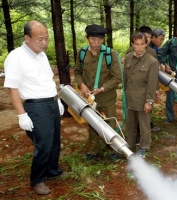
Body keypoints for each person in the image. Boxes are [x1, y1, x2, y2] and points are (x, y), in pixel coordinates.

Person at [4, 20, 65, 195]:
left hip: (51, 103)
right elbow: (12, 88)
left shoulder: (41, 54)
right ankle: (37, 179)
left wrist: (57, 100)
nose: (45, 42)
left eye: (46, 38)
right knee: (44, 144)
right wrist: (22, 115)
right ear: (27, 38)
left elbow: (47, 79)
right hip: (36, 107)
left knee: (54, 141)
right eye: (40, 39)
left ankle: (52, 171)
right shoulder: (16, 57)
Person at [74, 24, 122, 159]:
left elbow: (117, 77)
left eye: (100, 40)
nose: (96, 43)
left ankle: (113, 148)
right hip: (89, 98)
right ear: (87, 38)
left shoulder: (109, 54)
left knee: (110, 122)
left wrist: (102, 88)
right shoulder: (82, 53)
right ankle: (93, 149)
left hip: (106, 96)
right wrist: (82, 85)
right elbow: (77, 72)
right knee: (92, 123)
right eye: (93, 39)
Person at [124, 32, 159, 156]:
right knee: (130, 124)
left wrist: (149, 101)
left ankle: (144, 146)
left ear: (146, 44)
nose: (139, 48)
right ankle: (130, 145)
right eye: (136, 44)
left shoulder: (152, 62)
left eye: (141, 44)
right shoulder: (128, 58)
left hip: (143, 98)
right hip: (131, 97)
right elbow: (126, 78)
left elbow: (152, 83)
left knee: (144, 125)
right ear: (132, 44)